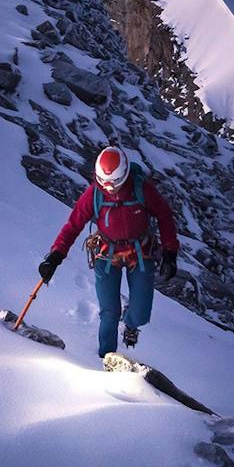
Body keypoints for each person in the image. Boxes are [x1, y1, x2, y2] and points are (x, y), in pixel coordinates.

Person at [37, 146, 179, 359]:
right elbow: (73, 225)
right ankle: (105, 358)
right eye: (105, 182)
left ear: (124, 174)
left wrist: (170, 251)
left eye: (114, 182)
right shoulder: (94, 194)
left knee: (140, 313)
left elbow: (164, 216)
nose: (110, 188)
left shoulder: (143, 189)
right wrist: (56, 255)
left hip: (139, 252)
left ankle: (131, 324)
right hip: (107, 253)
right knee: (109, 312)